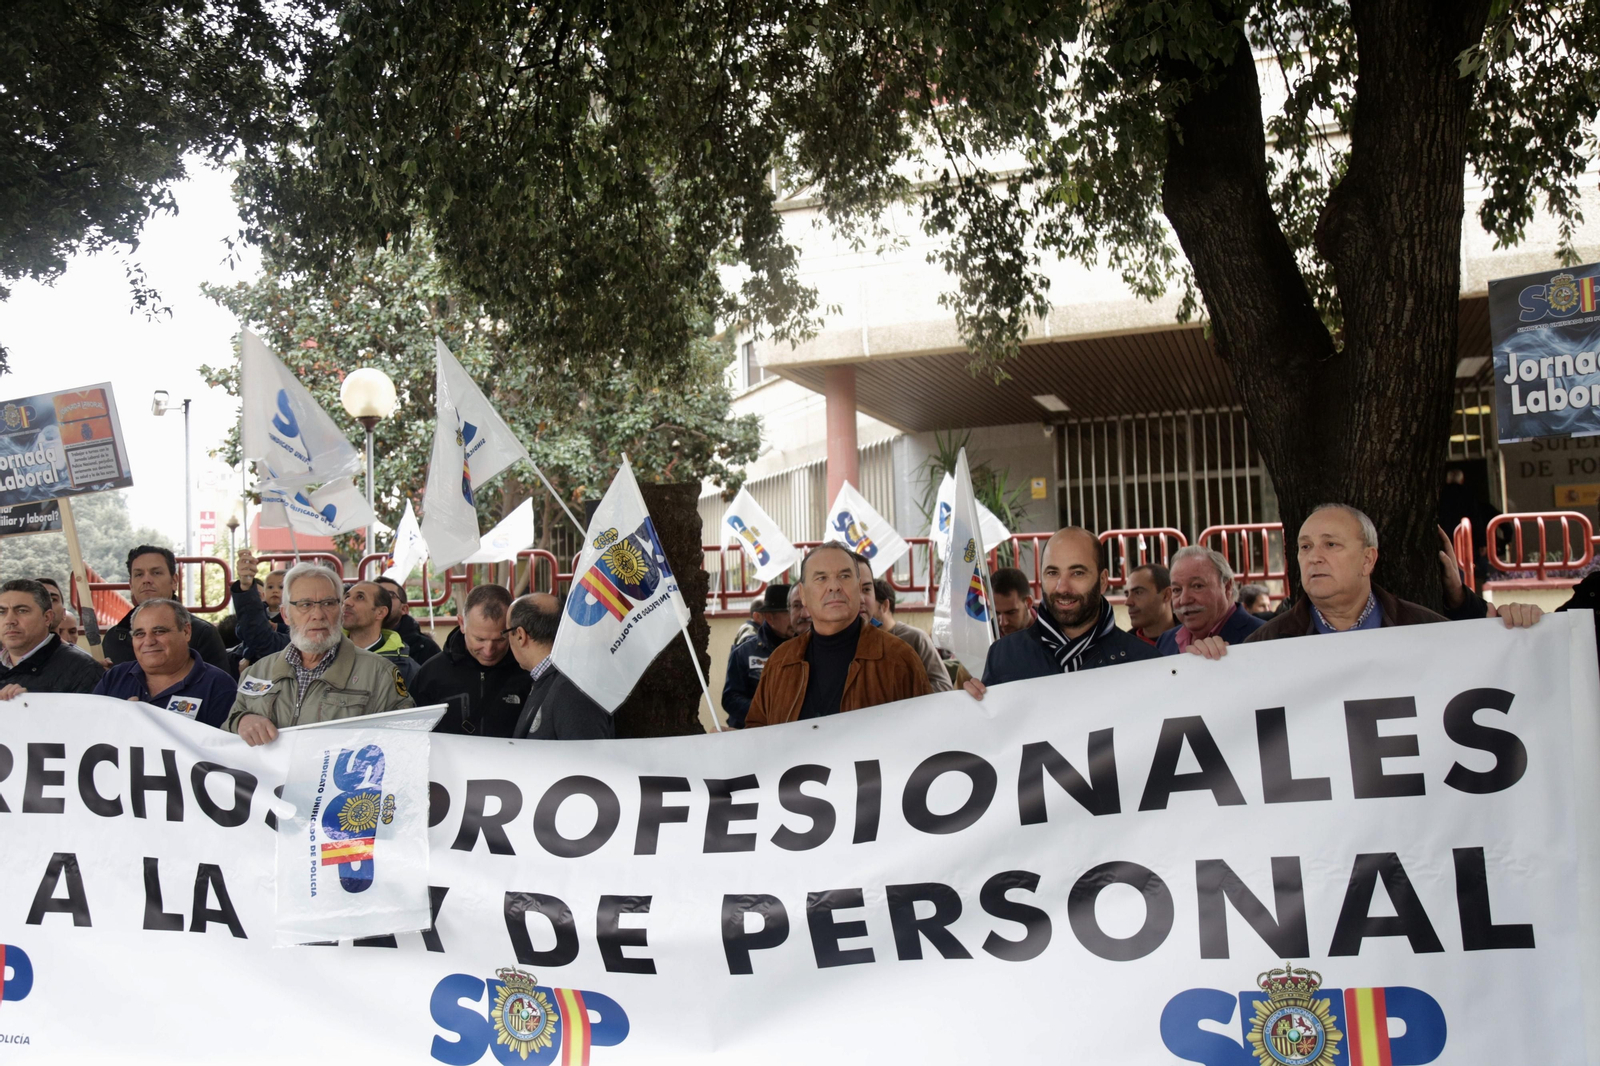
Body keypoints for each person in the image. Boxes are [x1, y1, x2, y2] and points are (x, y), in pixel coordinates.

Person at [1185, 504, 1542, 659]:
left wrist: (1519, 632)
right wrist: (1210, 668)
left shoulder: (1428, 630)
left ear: (1368, 559)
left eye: (1331, 544)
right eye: (1305, 547)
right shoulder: (1264, 645)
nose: (1314, 557)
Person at [226, 562, 415, 744]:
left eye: (328, 603)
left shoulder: (379, 673)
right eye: (305, 604)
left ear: (340, 611)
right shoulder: (257, 672)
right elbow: (223, 739)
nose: (318, 614)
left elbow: (406, 740)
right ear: (285, 615)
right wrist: (241, 721)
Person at [746, 543, 932, 726]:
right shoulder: (780, 662)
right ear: (803, 594)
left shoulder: (898, 658)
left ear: (859, 588)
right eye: (821, 578)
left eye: (844, 576)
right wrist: (731, 742)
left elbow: (927, 731)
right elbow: (758, 731)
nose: (834, 587)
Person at [966, 527, 1159, 700]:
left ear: (1102, 581)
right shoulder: (1004, 655)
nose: (1062, 587)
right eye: (1052, 573)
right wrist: (973, 707)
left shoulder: (1145, 661)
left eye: (1077, 573)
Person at [93, 599, 237, 726]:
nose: (148, 641)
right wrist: (117, 721)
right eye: (139, 634)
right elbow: (89, 730)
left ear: (186, 632)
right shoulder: (114, 678)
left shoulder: (219, 686)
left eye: (159, 631)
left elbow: (222, 752)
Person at [414, 584, 531, 737]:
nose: (489, 650)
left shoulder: (529, 671)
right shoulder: (431, 673)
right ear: (462, 624)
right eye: (479, 639)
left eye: (500, 640)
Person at [505, 593, 613, 739]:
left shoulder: (572, 689)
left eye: (507, 633)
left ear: (520, 635)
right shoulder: (552, 679)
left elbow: (587, 758)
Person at [103, 546, 229, 670]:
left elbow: (219, 686)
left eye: (156, 573)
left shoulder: (202, 633)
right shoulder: (114, 638)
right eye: (139, 574)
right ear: (131, 584)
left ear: (174, 581)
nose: (146, 580)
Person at [0, 579, 103, 697]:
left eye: (22, 611)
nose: (9, 621)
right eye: (1, 612)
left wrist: (34, 703)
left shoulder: (84, 669)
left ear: (47, 617)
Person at [1155, 546, 1264, 654]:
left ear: (1227, 587)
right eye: (1177, 590)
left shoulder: (1263, 637)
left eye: (1197, 586)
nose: (1184, 600)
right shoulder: (1165, 640)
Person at [721, 584, 795, 728]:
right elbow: (730, 699)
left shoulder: (804, 647)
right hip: (753, 736)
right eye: (788, 612)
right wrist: (766, 713)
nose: (795, 618)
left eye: (797, 609)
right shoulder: (743, 652)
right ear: (769, 617)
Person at [870, 578, 953, 693]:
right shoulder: (860, 642)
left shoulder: (915, 638)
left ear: (884, 606)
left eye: (868, 600)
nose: (861, 608)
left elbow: (943, 686)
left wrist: (903, 696)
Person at [342, 580, 419, 685]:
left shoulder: (404, 669)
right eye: (347, 597)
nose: (347, 602)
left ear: (380, 612)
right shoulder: (324, 655)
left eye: (360, 597)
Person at [230, 548, 292, 664]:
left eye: (281, 587)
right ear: (263, 593)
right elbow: (244, 631)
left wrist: (277, 627)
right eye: (270, 587)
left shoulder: (294, 617)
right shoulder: (258, 611)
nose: (275, 591)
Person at [374, 575, 443, 665]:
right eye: (375, 596)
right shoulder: (352, 641)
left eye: (390, 595)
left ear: (404, 609)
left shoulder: (424, 648)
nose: (380, 600)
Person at [1123, 563, 1176, 646]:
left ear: (1166, 595)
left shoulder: (1193, 641)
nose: (1128, 602)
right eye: (1127, 594)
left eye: (1138, 592)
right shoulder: (1121, 649)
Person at [990, 567, 1037, 637]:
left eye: (1011, 612)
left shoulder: (1053, 630)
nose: (1003, 623)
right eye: (997, 613)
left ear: (1028, 602)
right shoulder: (987, 635)